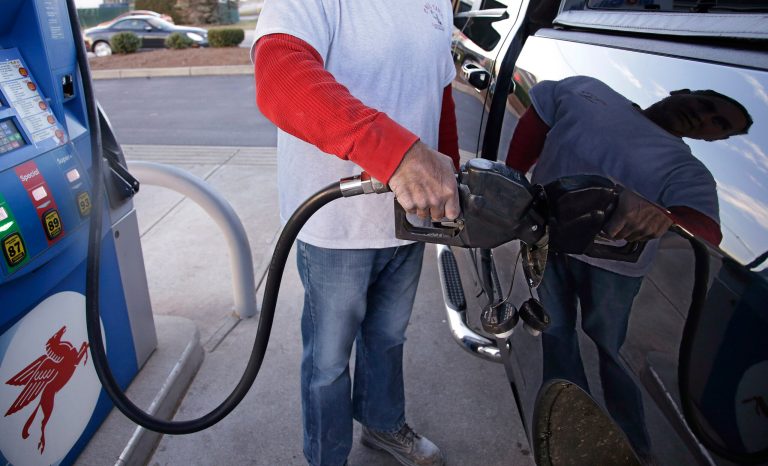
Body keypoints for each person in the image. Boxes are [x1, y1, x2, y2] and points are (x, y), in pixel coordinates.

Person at [252, 2, 460, 465]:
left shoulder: (435, 4)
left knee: (388, 337)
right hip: (335, 224)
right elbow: (279, 73)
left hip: (410, 220)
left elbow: (438, 94)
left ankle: (383, 425)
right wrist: (393, 151)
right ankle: (327, 455)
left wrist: (450, 182)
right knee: (328, 361)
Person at [504, 75, 752, 462]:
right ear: (682, 90)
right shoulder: (590, 91)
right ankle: (569, 428)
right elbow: (540, 112)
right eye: (706, 103)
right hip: (544, 241)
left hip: (613, 272)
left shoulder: (687, 170)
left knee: (610, 352)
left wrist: (663, 216)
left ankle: (631, 448)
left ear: (714, 141)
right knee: (556, 333)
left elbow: (706, 229)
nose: (704, 117)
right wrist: (511, 182)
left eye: (719, 124)